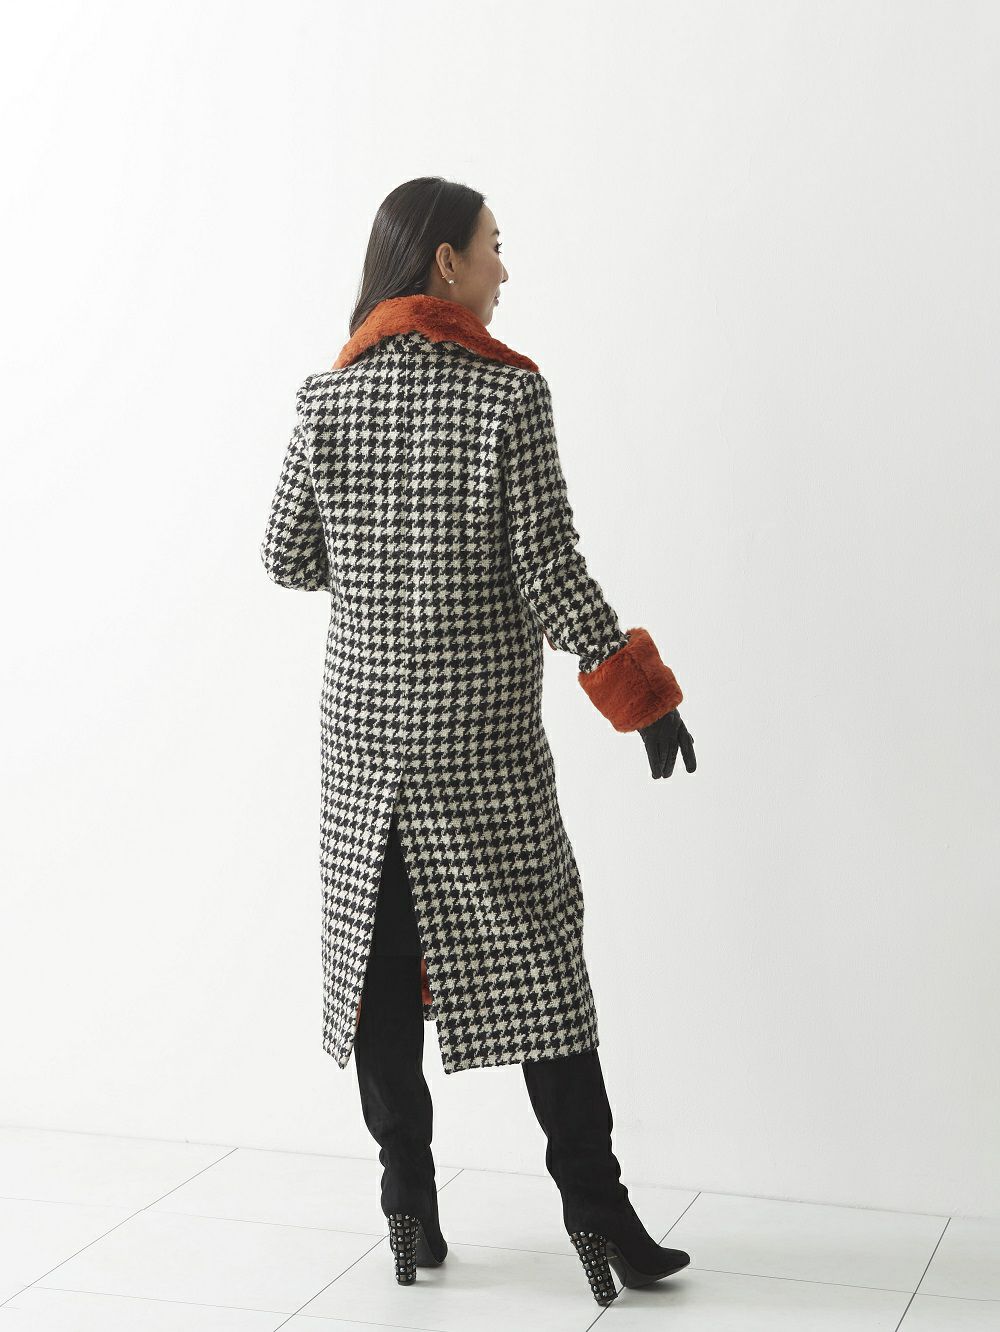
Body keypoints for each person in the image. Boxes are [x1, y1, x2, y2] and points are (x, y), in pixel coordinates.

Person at [260, 175, 697, 1306]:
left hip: (365, 747)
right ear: (445, 263)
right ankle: (598, 1214)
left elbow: (286, 556)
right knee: (542, 965)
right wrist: (643, 697)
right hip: (479, 748)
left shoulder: (328, 396)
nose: (506, 268)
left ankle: (407, 1202)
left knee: (381, 975)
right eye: (494, 246)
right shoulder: (507, 395)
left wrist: (378, 557)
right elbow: (550, 570)